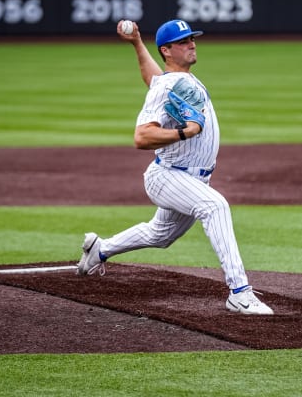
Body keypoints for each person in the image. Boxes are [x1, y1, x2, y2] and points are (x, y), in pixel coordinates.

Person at [76, 18, 274, 315]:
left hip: (189, 178)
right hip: (167, 176)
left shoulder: (173, 81)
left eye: (192, 39)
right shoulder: (170, 84)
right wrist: (184, 132)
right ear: (167, 50)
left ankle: (100, 250)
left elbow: (154, 79)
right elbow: (142, 137)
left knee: (161, 234)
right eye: (183, 41)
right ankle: (239, 292)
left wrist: (137, 44)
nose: (192, 44)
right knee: (215, 206)